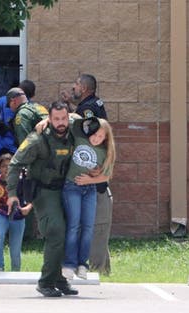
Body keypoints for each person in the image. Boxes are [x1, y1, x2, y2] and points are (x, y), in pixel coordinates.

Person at [6, 101, 77, 297]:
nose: (61, 123)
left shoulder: (74, 130)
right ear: (49, 119)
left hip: (66, 190)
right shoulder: (37, 139)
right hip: (44, 192)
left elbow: (93, 121)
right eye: (56, 119)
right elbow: (15, 164)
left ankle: (60, 280)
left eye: (64, 118)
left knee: (69, 235)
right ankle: (46, 282)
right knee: (56, 232)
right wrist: (12, 194)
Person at [64, 73, 113, 275]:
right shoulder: (94, 104)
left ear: (84, 88)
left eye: (75, 85)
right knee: (96, 229)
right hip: (94, 179)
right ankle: (103, 270)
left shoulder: (87, 110)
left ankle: (97, 270)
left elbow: (87, 141)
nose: (73, 87)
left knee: (96, 228)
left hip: (92, 181)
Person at [0, 153, 32, 271]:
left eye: (10, 166)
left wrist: (28, 207)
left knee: (15, 248)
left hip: (18, 216)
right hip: (0, 215)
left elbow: (31, 196)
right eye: (4, 166)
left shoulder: (21, 181)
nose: (7, 169)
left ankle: (16, 270)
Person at [0, 80, 36, 156]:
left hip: (4, 148)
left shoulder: (4, 100)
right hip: (19, 151)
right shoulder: (32, 109)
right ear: (32, 95)